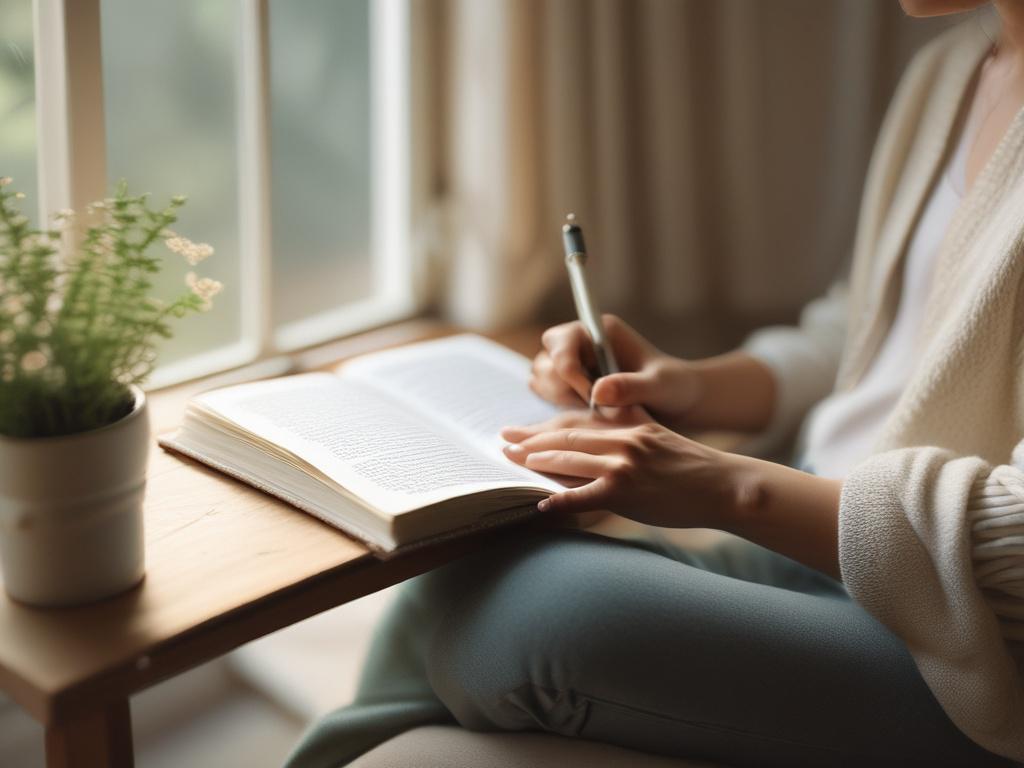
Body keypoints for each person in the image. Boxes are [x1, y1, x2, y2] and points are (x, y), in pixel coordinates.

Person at [286, 2, 1024, 766]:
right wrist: (687, 388)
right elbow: (863, 328)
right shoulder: (951, 70)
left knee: (539, 619)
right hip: (819, 541)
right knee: (465, 571)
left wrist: (726, 489)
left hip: (977, 639)